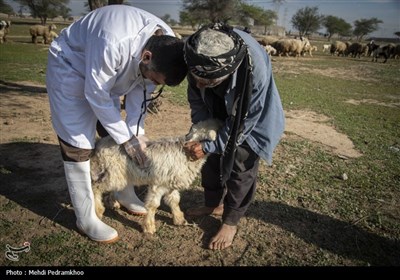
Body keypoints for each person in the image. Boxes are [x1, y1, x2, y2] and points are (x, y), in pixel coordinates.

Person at [46, 5, 187, 243]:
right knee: (78, 143)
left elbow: (141, 91)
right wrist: (126, 139)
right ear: (147, 56)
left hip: (110, 72)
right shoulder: (112, 39)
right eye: (153, 78)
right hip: (73, 67)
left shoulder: (166, 44)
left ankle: (124, 190)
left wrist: (136, 133)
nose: (152, 82)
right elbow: (96, 93)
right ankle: (86, 215)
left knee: (119, 132)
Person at [183, 23, 285, 250]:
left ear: (227, 72)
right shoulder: (196, 50)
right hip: (217, 103)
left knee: (241, 158)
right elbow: (196, 97)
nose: (199, 84)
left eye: (207, 81)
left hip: (248, 112)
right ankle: (213, 203)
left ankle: (230, 221)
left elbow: (244, 122)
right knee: (208, 155)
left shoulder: (254, 70)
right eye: (196, 77)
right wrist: (202, 130)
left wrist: (212, 145)